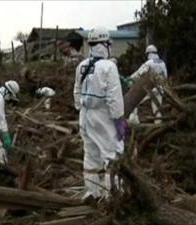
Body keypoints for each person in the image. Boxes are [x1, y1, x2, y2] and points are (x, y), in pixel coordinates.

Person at [73, 27, 127, 202]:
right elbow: (114, 98)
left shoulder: (81, 66)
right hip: (103, 116)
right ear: (105, 44)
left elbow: (76, 92)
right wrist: (119, 120)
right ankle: (113, 196)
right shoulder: (109, 67)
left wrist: (80, 109)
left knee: (91, 155)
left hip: (85, 116)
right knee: (113, 154)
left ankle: (92, 193)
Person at [128, 45, 168, 124]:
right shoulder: (162, 63)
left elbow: (139, 73)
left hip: (150, 88)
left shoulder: (149, 63)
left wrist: (130, 78)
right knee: (157, 109)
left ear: (148, 53)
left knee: (135, 102)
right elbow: (166, 76)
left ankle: (134, 121)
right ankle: (158, 125)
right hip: (160, 88)